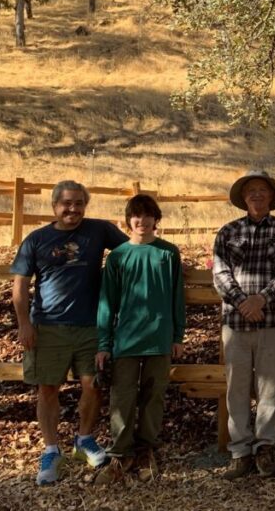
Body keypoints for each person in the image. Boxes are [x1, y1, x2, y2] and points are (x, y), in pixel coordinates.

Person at [11, 180, 128, 485]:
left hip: (92, 325)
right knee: (48, 388)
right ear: (54, 206)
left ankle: (84, 440)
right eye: (67, 203)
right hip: (48, 327)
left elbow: (133, 250)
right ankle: (51, 450)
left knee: (94, 384)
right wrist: (24, 323)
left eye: (78, 203)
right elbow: (20, 285)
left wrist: (166, 261)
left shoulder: (99, 230)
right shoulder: (37, 239)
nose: (73, 209)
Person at [94, 194, 186, 485]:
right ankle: (121, 453)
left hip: (159, 337)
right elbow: (107, 302)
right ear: (128, 220)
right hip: (126, 339)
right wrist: (103, 343)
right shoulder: (119, 255)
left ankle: (146, 449)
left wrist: (177, 335)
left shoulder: (168, 253)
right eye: (137, 216)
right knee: (122, 397)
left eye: (148, 216)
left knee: (153, 395)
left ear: (156, 220)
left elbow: (177, 298)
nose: (142, 221)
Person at [213, 169, 275, 480]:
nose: (258, 195)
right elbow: (220, 274)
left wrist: (261, 299)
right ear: (244, 198)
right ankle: (240, 452)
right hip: (236, 323)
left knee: (269, 387)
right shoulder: (227, 232)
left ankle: (266, 448)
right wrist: (242, 302)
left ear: (272, 197)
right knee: (236, 388)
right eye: (252, 191)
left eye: (263, 190)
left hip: (272, 321)